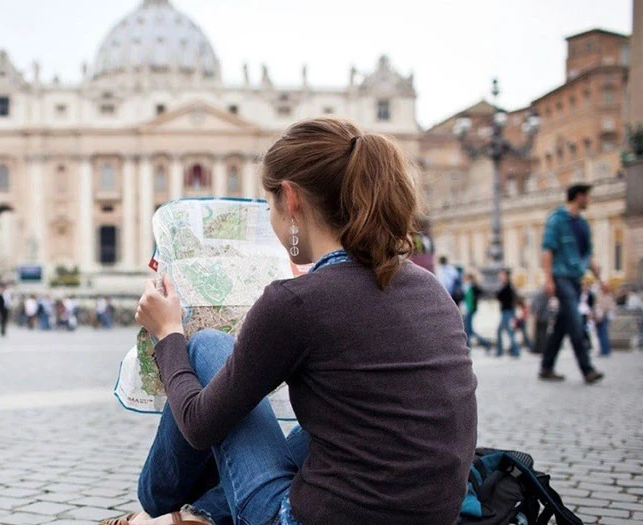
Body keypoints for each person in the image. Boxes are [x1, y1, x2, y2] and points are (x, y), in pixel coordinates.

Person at [127, 118, 476, 525]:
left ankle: (160, 508)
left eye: (269, 203)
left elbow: (200, 425)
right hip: (434, 516)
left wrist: (168, 333)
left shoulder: (296, 301)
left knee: (207, 346)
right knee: (324, 428)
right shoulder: (431, 288)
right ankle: (200, 517)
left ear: (290, 201)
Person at [539, 183, 604, 383]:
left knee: (562, 324)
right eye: (587, 196)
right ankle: (587, 370)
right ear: (579, 197)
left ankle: (546, 367)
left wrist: (601, 280)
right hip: (561, 277)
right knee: (576, 323)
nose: (589, 200)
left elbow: (588, 256)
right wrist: (548, 279)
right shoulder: (556, 220)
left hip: (575, 278)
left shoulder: (583, 224)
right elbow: (547, 250)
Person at [462, 273, 492, 351]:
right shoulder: (466, 287)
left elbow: (482, 293)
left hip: (470, 310)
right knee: (469, 330)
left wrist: (475, 299)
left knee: (468, 330)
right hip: (467, 310)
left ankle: (468, 348)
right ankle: (486, 343)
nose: (465, 280)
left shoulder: (473, 287)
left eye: (466, 278)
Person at [496, 269, 520, 357]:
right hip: (507, 311)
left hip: (507, 311)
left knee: (509, 331)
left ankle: (515, 351)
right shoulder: (506, 286)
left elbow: (500, 296)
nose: (500, 277)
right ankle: (501, 351)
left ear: (506, 276)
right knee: (504, 331)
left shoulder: (507, 286)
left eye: (501, 275)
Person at [594, 282, 616, 357]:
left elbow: (606, 306)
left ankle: (605, 350)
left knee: (603, 333)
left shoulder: (607, 296)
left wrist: (601, 313)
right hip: (601, 315)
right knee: (601, 333)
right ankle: (605, 350)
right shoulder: (604, 295)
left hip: (603, 316)